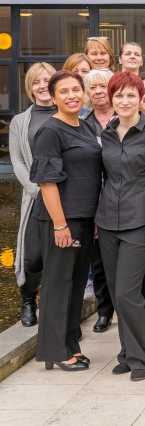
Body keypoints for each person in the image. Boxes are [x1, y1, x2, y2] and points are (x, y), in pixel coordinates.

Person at [95, 71, 145, 381]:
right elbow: (105, 178)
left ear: (141, 99)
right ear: (111, 99)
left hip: (140, 224)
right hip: (107, 223)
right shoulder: (108, 132)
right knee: (116, 292)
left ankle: (140, 359)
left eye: (131, 95)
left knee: (128, 292)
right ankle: (126, 353)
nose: (124, 101)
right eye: (119, 95)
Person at [31, 70, 102, 372]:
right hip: (61, 219)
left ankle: (70, 342)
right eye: (64, 91)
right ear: (54, 96)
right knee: (57, 284)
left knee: (74, 286)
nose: (72, 95)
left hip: (84, 218)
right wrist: (60, 225)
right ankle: (53, 350)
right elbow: (47, 182)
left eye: (76, 89)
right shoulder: (51, 131)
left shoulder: (85, 126)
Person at [11, 62, 57, 327]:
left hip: (65, 196)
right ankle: (28, 299)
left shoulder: (68, 114)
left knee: (61, 256)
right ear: (30, 87)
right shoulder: (20, 121)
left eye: (47, 80)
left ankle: (56, 308)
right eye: (36, 82)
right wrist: (35, 189)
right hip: (35, 197)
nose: (42, 86)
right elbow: (17, 161)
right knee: (33, 254)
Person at [82, 68, 117, 333]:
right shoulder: (82, 124)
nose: (97, 92)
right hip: (93, 201)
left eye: (102, 86)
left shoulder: (125, 118)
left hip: (124, 198)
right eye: (91, 87)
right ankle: (104, 311)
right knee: (100, 261)